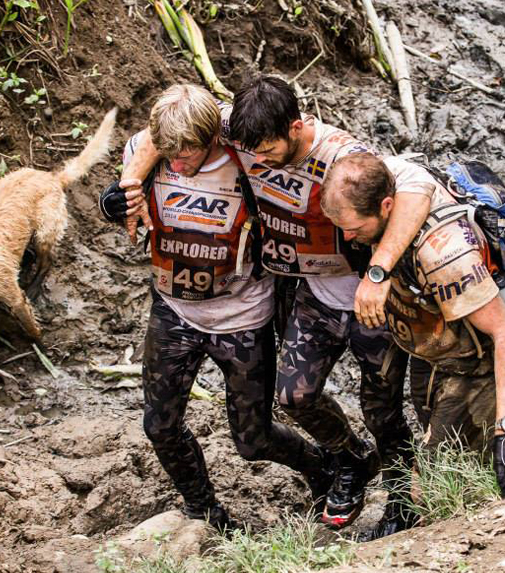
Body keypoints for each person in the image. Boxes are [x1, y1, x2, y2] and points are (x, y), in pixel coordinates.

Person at [102, 76, 432, 532]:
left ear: (293, 128)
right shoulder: (228, 135)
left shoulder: (326, 155)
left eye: (267, 151)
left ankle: (400, 499)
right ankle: (339, 462)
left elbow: (416, 181)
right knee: (289, 398)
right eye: (251, 151)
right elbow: (164, 132)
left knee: (379, 410)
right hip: (280, 298)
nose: (259, 160)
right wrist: (128, 184)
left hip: (329, 300)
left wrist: (379, 272)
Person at [99, 84, 333, 529]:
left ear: (211, 137)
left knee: (253, 440)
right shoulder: (146, 151)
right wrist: (115, 199)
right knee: (159, 427)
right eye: (168, 155)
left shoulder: (249, 157)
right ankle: (204, 510)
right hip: (174, 311)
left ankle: (321, 468)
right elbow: (138, 167)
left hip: (242, 317)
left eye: (186, 155)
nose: (177, 165)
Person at [321, 153, 505, 530]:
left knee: (435, 481)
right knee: (444, 448)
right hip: (434, 350)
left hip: (474, 364)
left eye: (353, 228)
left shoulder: (445, 255)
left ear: (386, 206)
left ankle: (497, 526)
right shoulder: (387, 180)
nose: (348, 237)